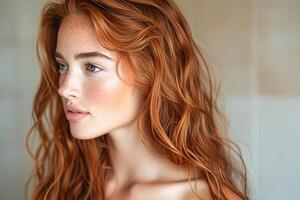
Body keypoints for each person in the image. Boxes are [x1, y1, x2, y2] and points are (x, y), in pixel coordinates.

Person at [25, 0, 249, 199]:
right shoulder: (66, 184)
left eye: (92, 67)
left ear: (151, 73)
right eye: (62, 65)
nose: (64, 89)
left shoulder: (202, 197)